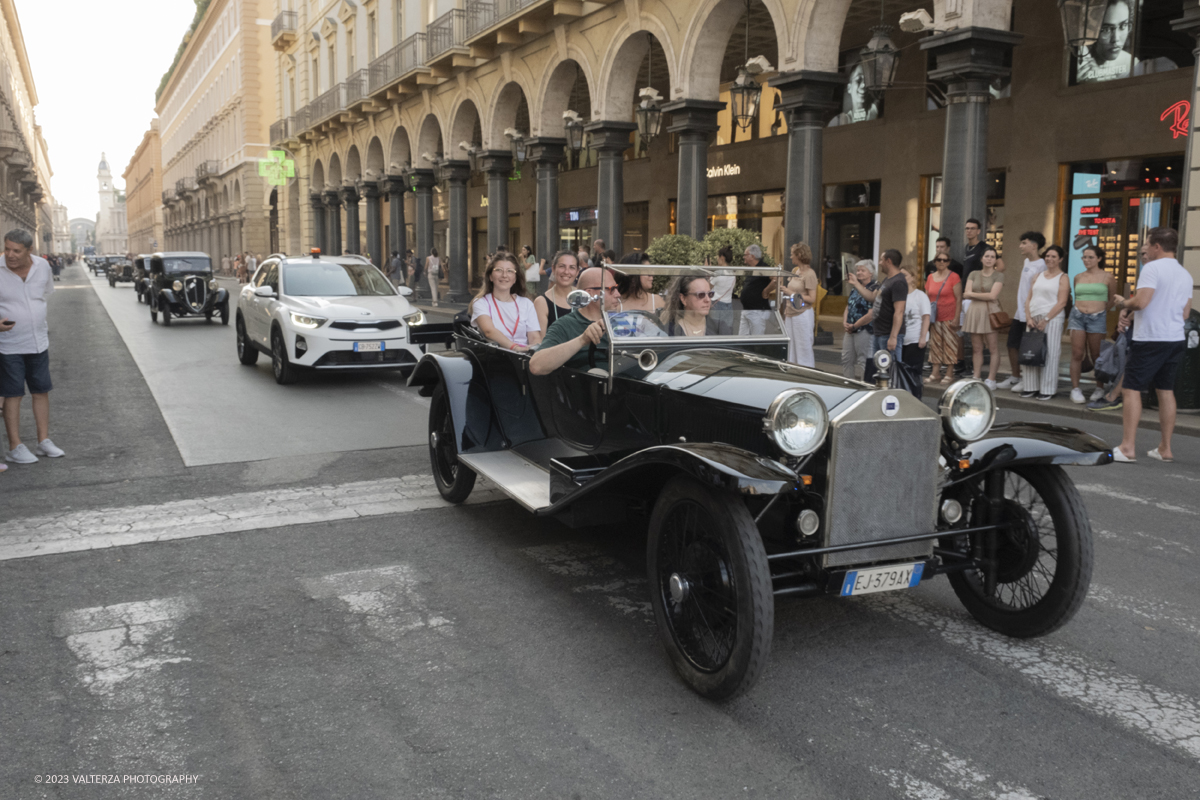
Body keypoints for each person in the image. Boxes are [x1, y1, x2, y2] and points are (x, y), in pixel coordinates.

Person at [1112, 227, 1193, 462]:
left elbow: (1142, 301)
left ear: (1157, 246)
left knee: (1131, 388)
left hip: (1150, 337)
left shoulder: (1151, 268)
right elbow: (1185, 312)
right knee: (1166, 390)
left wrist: (1123, 302)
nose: (1147, 249)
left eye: (1149, 244)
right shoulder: (1184, 274)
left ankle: (1128, 447)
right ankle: (1165, 448)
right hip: (1175, 337)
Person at [1, 229, 64, 464]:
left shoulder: (42, 267)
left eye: (16, 250)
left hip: (38, 341)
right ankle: (15, 446)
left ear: (30, 250)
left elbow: (42, 296)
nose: (10, 255)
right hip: (8, 344)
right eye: (7, 249)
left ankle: (43, 441)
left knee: (41, 390)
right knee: (13, 394)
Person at [530, 267, 621, 375]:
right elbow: (536, 366)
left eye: (617, 288)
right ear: (591, 293)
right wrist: (582, 340)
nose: (618, 294)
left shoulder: (620, 322)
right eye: (611, 289)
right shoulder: (565, 325)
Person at [1068, 245, 1118, 403]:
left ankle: (1099, 387)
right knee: (1077, 353)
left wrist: (1102, 310)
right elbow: (1076, 296)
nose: (1087, 260)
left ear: (1099, 258)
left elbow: (1113, 299)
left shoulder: (1108, 277)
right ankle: (1075, 389)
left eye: (1090, 257)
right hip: (1077, 316)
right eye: (1084, 257)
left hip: (1097, 317)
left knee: (1097, 355)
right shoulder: (1078, 277)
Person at [998, 231, 1047, 391]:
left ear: (1034, 246)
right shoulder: (1027, 261)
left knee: (1030, 347)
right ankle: (1015, 376)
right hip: (1020, 312)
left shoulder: (1042, 265)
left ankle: (1029, 379)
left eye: (1024, 243)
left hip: (1032, 314)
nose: (1020, 246)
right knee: (1012, 344)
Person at [1021, 244, 1070, 400]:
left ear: (1060, 259)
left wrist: (1046, 319)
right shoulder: (1038, 275)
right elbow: (1029, 298)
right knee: (1030, 351)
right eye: (1048, 256)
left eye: (1054, 256)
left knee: (1051, 353)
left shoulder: (1063, 278)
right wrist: (1028, 317)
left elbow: (1062, 302)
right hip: (1033, 317)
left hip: (1052, 318)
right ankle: (1030, 386)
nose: (1050, 259)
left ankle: (1047, 389)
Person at [470, 252, 543, 351]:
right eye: (499, 270)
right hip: (497, 357)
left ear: (515, 278)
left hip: (525, 356)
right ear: (490, 276)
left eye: (510, 271)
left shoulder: (526, 303)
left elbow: (534, 337)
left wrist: (534, 348)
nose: (504, 275)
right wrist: (516, 348)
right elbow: (489, 331)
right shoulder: (481, 303)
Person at [764, 242, 818, 367]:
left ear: (799, 255)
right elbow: (788, 291)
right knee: (791, 347)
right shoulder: (795, 271)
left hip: (802, 314)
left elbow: (812, 298)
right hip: (791, 313)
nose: (790, 257)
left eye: (792, 254)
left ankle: (806, 373)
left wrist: (791, 293)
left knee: (803, 347)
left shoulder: (810, 274)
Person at [961, 245, 1004, 388]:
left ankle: (991, 379)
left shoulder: (999, 275)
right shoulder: (973, 273)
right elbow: (965, 293)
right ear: (981, 258)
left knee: (993, 347)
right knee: (976, 348)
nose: (989, 259)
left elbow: (993, 295)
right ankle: (976, 376)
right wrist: (981, 296)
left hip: (989, 311)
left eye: (993, 257)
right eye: (987, 256)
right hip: (974, 311)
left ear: (996, 260)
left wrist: (973, 294)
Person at [865, 249, 907, 382]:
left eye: (881, 260)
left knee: (891, 372)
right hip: (879, 332)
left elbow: (899, 311)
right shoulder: (887, 280)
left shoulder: (899, 282)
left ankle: (893, 399)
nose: (879, 263)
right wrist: (855, 283)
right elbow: (873, 297)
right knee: (878, 370)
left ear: (889, 261)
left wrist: (893, 337)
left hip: (888, 334)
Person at [923, 251, 962, 385]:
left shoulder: (954, 277)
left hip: (949, 316)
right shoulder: (930, 277)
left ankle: (949, 374)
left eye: (945, 260)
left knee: (950, 344)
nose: (942, 262)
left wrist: (957, 318)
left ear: (949, 262)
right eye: (939, 260)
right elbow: (927, 297)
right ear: (934, 261)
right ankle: (935, 373)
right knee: (935, 344)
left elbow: (959, 299)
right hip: (935, 317)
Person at [1077, 0, 1134, 83]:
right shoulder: (1077, 63)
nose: (1116, 39)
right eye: (1106, 29)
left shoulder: (1131, 64)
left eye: (1123, 26)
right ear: (1090, 30)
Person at [842, 259, 878, 380]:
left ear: (871, 273)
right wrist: (845, 322)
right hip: (850, 329)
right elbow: (848, 306)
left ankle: (864, 387)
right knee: (846, 359)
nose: (859, 273)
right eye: (857, 270)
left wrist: (855, 326)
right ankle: (848, 387)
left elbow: (870, 314)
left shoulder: (874, 288)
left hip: (864, 329)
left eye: (863, 270)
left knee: (863, 360)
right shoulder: (855, 288)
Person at [899, 265, 931, 394]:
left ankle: (915, 396)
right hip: (900, 339)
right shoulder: (898, 295)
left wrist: (922, 337)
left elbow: (926, 317)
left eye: (905, 275)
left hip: (915, 339)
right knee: (901, 371)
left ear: (912, 277)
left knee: (913, 371)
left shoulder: (920, 295)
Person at [534, 250, 581, 333]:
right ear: (553, 269)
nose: (566, 272)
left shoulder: (583, 298)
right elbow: (540, 342)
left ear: (577, 272)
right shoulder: (541, 302)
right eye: (562, 266)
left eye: (572, 267)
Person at [827, 53, 879, 127]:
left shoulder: (877, 113)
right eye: (858, 79)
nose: (864, 85)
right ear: (849, 88)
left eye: (868, 81)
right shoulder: (838, 122)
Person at [737, 244, 773, 335]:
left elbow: (776, 279)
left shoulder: (763, 266)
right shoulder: (752, 268)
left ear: (752, 256)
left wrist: (766, 290)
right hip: (746, 309)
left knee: (757, 339)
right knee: (742, 338)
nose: (743, 257)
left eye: (745, 255)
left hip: (757, 310)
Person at [710, 246, 737, 336]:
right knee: (726, 334)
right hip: (728, 305)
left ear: (722, 257)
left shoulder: (718, 273)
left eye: (718, 257)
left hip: (716, 305)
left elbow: (707, 287)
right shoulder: (733, 273)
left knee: (713, 333)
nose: (717, 259)